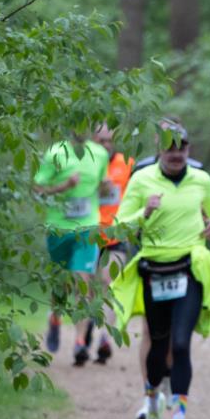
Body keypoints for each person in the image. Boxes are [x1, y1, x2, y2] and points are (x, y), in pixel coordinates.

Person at [110, 121, 210, 419]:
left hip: (190, 267)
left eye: (182, 147)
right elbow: (120, 225)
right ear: (159, 149)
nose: (176, 154)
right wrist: (143, 211)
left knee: (180, 344)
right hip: (154, 269)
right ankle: (152, 405)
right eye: (170, 147)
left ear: (188, 150)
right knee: (157, 342)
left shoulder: (201, 179)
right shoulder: (141, 179)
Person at [33, 132, 110, 366]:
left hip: (87, 228)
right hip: (58, 229)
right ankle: (55, 318)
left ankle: (79, 343)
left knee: (82, 283)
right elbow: (38, 189)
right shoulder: (55, 152)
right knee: (61, 285)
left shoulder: (100, 153)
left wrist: (105, 187)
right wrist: (65, 186)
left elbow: (102, 187)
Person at [89, 123, 135, 364]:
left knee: (110, 284)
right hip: (87, 236)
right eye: (101, 141)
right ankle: (84, 330)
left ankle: (105, 337)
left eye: (109, 140)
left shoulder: (127, 164)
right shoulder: (84, 164)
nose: (106, 145)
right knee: (86, 289)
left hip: (116, 236)